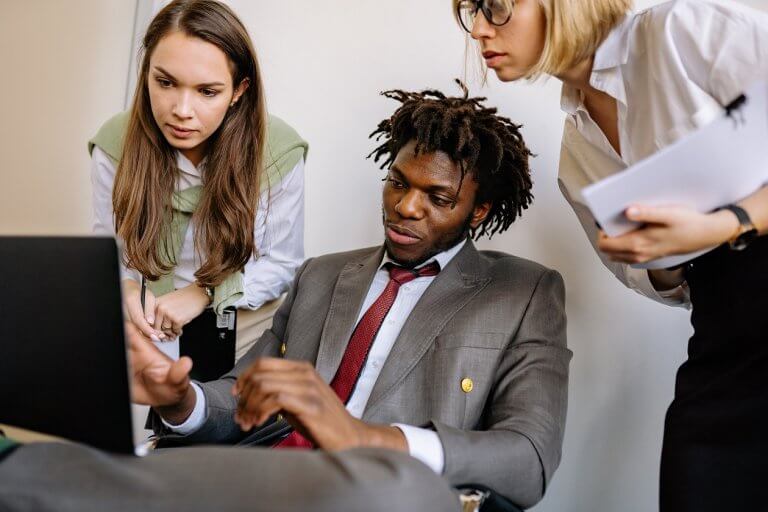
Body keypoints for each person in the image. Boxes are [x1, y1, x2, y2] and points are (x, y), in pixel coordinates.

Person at [0, 86, 571, 511]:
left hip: (383, 491)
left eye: (438, 197)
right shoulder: (323, 275)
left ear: (478, 211)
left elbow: (529, 459)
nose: (406, 207)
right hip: (261, 478)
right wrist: (182, 400)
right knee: (69, 468)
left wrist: (369, 438)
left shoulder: (522, 293)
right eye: (398, 182)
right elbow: (242, 398)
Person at [453, 0, 768, 509]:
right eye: (472, 12)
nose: (479, 31)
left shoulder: (683, 31)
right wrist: (659, 251)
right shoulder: (575, 155)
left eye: (496, 7)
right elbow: (666, 284)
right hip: (725, 338)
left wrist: (724, 222)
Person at [90, 0, 307, 377]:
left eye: (207, 91)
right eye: (165, 82)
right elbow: (109, 248)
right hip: (146, 328)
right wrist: (125, 289)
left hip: (241, 330)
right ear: (147, 73)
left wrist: (203, 293)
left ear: (239, 90)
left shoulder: (277, 152)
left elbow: (282, 265)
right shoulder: (115, 145)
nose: (182, 110)